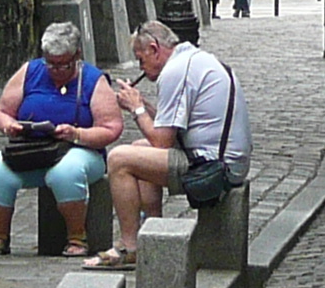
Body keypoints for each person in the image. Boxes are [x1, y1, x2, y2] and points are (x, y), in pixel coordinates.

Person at [95, 18, 251, 268]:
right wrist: (144, 106)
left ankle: (129, 245)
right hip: (225, 159)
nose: (141, 68)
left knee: (119, 159)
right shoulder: (190, 60)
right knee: (137, 150)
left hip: (213, 167)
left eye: (141, 59)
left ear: (155, 49)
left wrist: (136, 110)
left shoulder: (175, 72)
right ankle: (154, 234)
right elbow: (169, 127)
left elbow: (162, 142)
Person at [0, 21, 121, 257]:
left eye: (63, 65)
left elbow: (112, 128)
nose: (56, 70)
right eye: (50, 64)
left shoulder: (94, 80)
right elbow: (1, 111)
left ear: (77, 55)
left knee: (65, 172)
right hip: (33, 148)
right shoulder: (30, 71)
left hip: (79, 150)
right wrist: (9, 126)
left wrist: (77, 134)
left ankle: (77, 236)